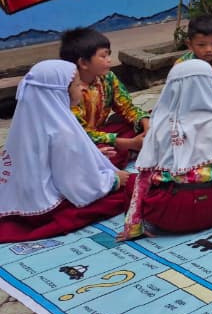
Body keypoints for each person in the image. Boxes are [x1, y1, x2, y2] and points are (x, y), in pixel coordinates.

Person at [119, 59, 212, 240]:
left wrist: (133, 227)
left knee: (132, 181)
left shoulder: (160, 124)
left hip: (171, 214)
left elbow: (144, 181)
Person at [0, 60, 134, 243]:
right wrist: (115, 180)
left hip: (20, 196)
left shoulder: (28, 118)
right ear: (60, 91)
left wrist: (92, 155)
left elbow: (46, 158)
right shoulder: (62, 129)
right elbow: (76, 185)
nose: (81, 89)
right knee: (128, 189)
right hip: (43, 208)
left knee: (109, 158)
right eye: (77, 85)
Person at [62, 27, 149, 168]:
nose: (109, 60)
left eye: (109, 55)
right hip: (83, 142)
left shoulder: (107, 77)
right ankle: (131, 150)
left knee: (151, 119)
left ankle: (133, 149)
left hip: (105, 133)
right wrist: (129, 143)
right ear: (83, 63)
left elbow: (127, 107)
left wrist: (146, 125)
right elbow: (80, 133)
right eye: (103, 56)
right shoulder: (69, 89)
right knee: (101, 156)